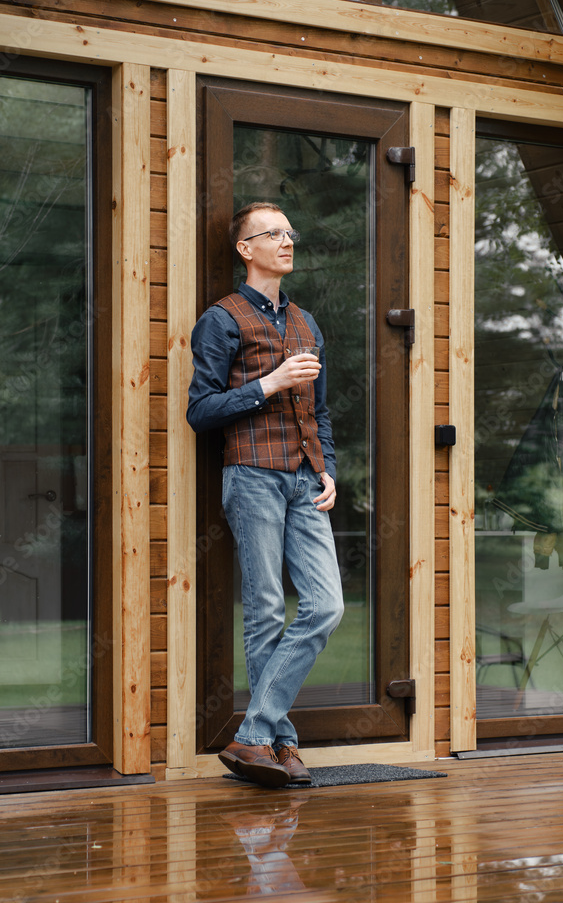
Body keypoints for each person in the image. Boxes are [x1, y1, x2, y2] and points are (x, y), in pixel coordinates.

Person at [187, 201, 344, 788]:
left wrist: (326, 467)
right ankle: (281, 748)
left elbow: (319, 410)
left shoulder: (306, 323)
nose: (286, 241)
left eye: (289, 232)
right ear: (244, 249)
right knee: (267, 611)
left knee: (326, 606)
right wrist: (268, 384)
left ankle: (253, 736)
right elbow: (199, 411)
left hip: (305, 479)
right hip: (251, 473)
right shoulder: (221, 320)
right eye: (272, 233)